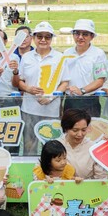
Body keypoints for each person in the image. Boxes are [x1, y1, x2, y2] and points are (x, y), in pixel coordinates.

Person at [16, 21, 69, 155]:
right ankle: (30, 173)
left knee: (52, 146)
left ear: (52, 38)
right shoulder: (26, 57)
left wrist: (51, 96)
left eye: (47, 37)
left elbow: (64, 83)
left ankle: (51, 174)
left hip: (51, 109)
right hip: (29, 108)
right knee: (29, 144)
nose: (43, 40)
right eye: (39, 36)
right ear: (33, 38)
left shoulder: (60, 58)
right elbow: (20, 81)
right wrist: (28, 89)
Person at [64, 19, 107, 117]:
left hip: (90, 100)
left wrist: (82, 91)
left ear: (91, 36)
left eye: (85, 34)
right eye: (77, 33)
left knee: (91, 131)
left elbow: (100, 80)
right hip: (70, 100)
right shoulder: (67, 53)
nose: (80, 37)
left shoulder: (98, 54)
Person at [57, 109, 107, 179]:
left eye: (84, 130)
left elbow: (101, 178)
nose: (80, 134)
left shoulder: (93, 148)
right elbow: (43, 172)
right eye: (75, 130)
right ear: (66, 128)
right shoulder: (55, 146)